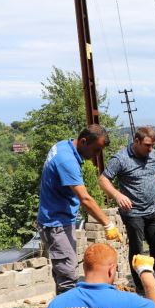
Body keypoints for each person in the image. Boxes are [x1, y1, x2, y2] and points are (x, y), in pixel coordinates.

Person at [37, 125, 123, 295]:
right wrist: (108, 224)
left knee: (64, 269)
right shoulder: (66, 160)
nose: (97, 156)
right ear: (84, 141)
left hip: (60, 219)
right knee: (68, 274)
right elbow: (85, 199)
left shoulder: (63, 146)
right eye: (96, 150)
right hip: (55, 223)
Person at [98, 126, 155, 291]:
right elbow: (103, 180)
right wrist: (118, 195)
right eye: (147, 145)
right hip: (133, 213)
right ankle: (141, 286)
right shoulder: (121, 158)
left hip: (152, 210)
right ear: (136, 141)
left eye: (152, 145)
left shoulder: (152, 154)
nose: (150, 149)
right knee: (138, 250)